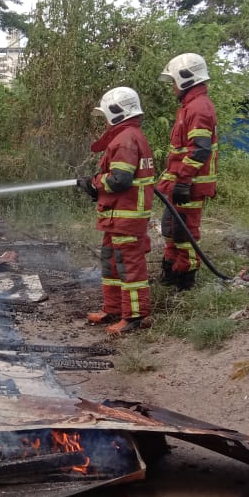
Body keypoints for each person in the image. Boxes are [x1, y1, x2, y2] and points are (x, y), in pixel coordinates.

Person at [77, 87, 155, 334]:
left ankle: (134, 316)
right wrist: (96, 184)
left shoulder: (125, 139)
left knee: (129, 267)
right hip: (116, 216)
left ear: (116, 112)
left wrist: (93, 183)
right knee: (111, 263)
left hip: (126, 216)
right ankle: (113, 309)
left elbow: (120, 179)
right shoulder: (127, 136)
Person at [157, 53, 218, 290]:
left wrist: (183, 181)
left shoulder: (199, 108)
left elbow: (199, 150)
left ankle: (186, 280)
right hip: (179, 184)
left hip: (191, 185)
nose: (172, 87)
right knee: (171, 229)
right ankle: (171, 271)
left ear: (185, 79)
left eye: (173, 81)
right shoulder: (190, 106)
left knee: (185, 232)